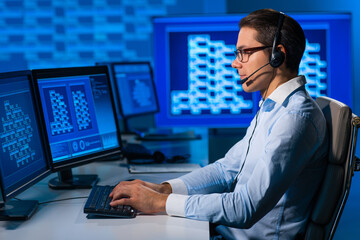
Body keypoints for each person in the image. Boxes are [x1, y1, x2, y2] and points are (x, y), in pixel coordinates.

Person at [109, 8, 329, 239]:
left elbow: (245, 208)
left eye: (244, 52)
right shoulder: (272, 106)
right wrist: (165, 189)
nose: (236, 63)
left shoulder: (294, 118)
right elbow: (226, 170)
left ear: (278, 55)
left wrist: (160, 202)